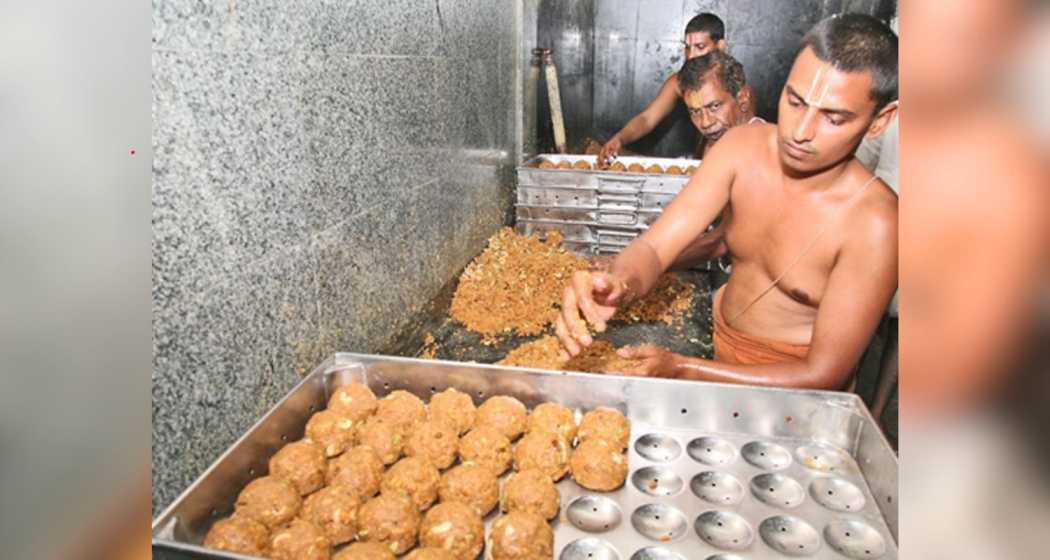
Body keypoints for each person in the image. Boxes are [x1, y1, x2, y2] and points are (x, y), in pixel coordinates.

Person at [556, 14, 899, 390]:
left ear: (880, 121)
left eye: (833, 118)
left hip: (794, 389)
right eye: (795, 102)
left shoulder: (876, 223)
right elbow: (655, 247)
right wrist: (617, 281)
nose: (800, 133)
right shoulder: (739, 149)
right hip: (722, 350)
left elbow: (823, 372)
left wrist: (687, 369)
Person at [598, 13, 754, 165]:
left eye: (700, 47)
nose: (691, 55)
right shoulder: (679, 81)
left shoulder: (735, 84)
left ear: (720, 46)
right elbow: (647, 118)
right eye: (687, 48)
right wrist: (619, 139)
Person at [679, 50, 762, 157]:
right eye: (695, 112)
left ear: (742, 99)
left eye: (715, 106)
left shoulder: (765, 151)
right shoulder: (714, 144)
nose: (705, 123)